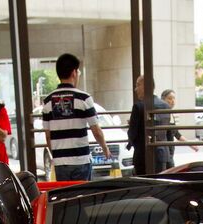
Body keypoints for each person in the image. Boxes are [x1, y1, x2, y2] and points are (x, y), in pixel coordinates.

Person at [40, 53, 111, 181]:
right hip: (81, 160)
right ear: (74, 73)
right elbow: (96, 131)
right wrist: (105, 148)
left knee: (65, 198)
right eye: (78, 71)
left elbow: (48, 136)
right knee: (82, 198)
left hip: (60, 163)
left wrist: (57, 158)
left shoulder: (47, 102)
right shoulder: (84, 98)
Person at [127, 75, 169, 175]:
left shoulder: (139, 106)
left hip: (143, 154)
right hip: (162, 153)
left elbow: (132, 133)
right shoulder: (165, 105)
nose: (135, 89)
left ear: (146, 86)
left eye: (138, 85)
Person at [160, 89, 198, 168]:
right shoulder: (163, 114)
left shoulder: (170, 114)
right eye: (169, 98)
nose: (172, 101)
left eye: (174, 98)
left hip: (170, 151)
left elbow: (176, 133)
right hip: (164, 152)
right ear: (163, 100)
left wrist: (191, 145)